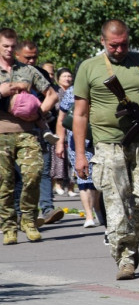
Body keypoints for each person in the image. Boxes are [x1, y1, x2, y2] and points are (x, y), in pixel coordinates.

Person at [72, 20, 139, 279]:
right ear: (102, 41)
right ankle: (125, 259)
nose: (119, 49)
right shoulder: (89, 68)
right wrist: (81, 154)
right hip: (107, 145)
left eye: (124, 44)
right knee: (115, 204)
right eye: (114, 45)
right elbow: (80, 114)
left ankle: (135, 236)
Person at [0, 28, 59, 244]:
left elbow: (51, 94)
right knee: (4, 182)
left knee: (34, 174)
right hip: (1, 133)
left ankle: (29, 219)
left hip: (27, 132)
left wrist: (38, 113)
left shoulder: (28, 70)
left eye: (11, 46)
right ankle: (8, 226)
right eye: (4, 46)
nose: (8, 50)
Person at [13, 39, 63, 229]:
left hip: (39, 128)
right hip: (15, 130)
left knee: (42, 170)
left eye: (35, 57)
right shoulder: (11, 73)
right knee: (18, 175)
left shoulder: (40, 74)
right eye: (28, 58)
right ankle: (18, 214)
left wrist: (38, 113)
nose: (32, 61)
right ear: (17, 55)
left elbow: (52, 96)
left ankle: (48, 209)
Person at [54, 73, 100, 228]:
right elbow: (61, 118)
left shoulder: (99, 88)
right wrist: (60, 142)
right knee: (83, 178)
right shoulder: (72, 91)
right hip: (77, 141)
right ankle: (89, 215)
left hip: (99, 139)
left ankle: (99, 210)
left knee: (98, 179)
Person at [50, 68, 74, 197]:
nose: (67, 79)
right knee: (59, 158)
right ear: (58, 78)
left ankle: (71, 186)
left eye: (69, 76)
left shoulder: (75, 90)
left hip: (73, 127)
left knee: (72, 161)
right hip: (58, 126)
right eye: (64, 76)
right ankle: (58, 184)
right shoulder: (56, 91)